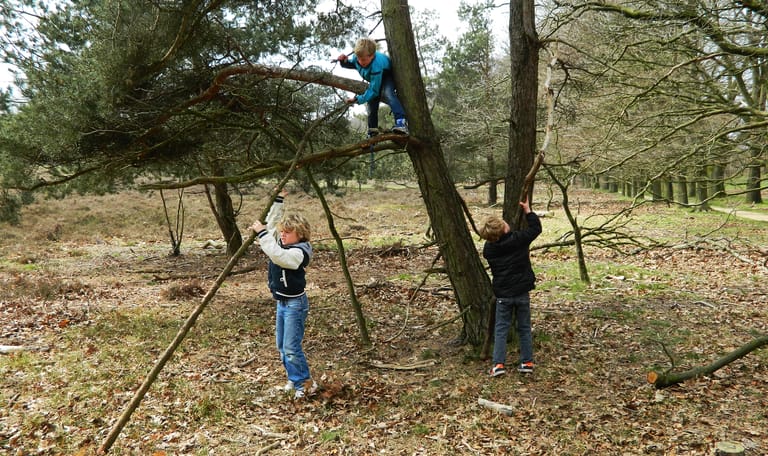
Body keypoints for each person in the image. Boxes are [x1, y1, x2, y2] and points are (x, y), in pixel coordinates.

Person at [250, 190, 318, 399]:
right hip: (282, 302)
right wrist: (277, 201)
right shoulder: (284, 243)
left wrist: (262, 234)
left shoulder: (299, 252)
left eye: (288, 232)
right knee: (282, 346)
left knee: (291, 347)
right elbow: (270, 226)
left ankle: (305, 384)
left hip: (295, 304)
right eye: (282, 232)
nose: (282, 235)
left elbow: (278, 256)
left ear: (300, 234)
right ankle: (294, 378)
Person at [478, 199, 542, 377]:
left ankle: (498, 364)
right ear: (505, 229)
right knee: (524, 328)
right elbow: (536, 229)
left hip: (503, 295)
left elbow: (495, 241)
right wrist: (528, 211)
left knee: (501, 329)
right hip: (521, 292)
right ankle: (527, 361)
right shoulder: (518, 240)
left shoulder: (489, 250)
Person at [337, 37, 409, 137]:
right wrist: (343, 62)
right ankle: (372, 131)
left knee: (388, 94)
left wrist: (357, 99)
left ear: (372, 56)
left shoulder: (376, 65)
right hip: (375, 78)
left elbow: (374, 90)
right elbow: (352, 64)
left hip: (386, 76)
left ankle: (402, 123)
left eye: (363, 60)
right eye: (358, 58)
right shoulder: (358, 57)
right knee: (371, 103)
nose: (360, 62)